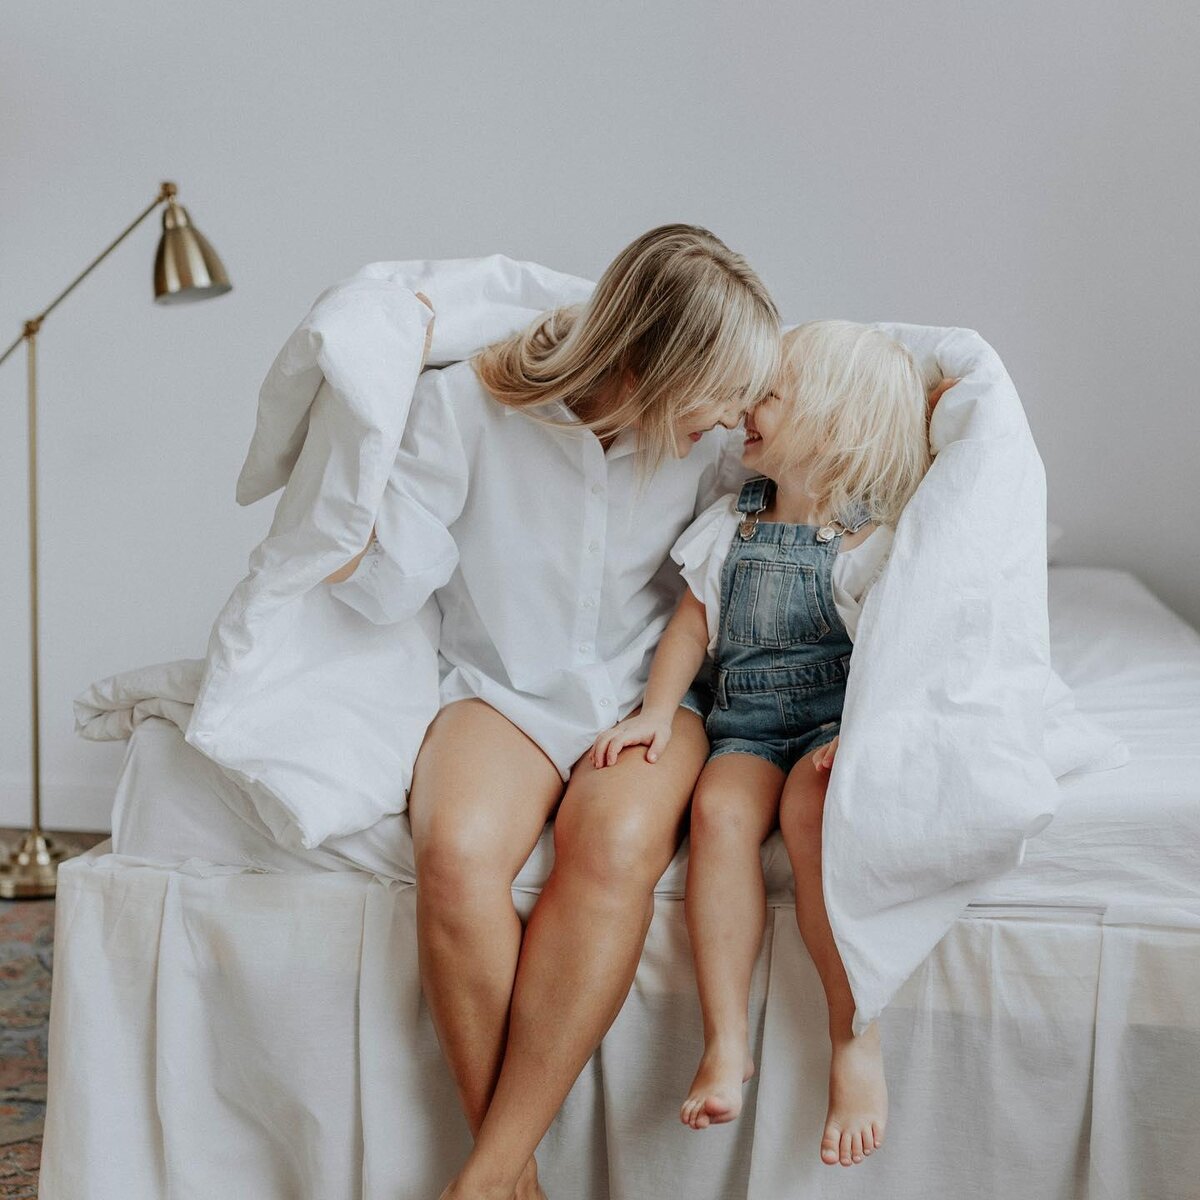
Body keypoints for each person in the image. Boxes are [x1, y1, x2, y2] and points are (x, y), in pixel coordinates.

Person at [327, 224, 780, 1200]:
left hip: (650, 694)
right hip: (503, 686)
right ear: (654, 363)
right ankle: (517, 1182)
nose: (731, 417)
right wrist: (351, 489)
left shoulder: (714, 449)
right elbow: (381, 582)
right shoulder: (465, 406)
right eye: (718, 391)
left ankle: (485, 1178)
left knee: (613, 844)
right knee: (454, 856)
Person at [592, 320, 949, 1168]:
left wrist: (862, 734)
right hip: (746, 722)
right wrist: (657, 711)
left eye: (769, 398)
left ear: (834, 423)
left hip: (830, 724)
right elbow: (692, 627)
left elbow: (901, 649)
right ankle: (725, 1040)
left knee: (813, 811)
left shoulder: (873, 539)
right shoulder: (732, 523)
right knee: (717, 811)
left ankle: (851, 1032)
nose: (744, 411)